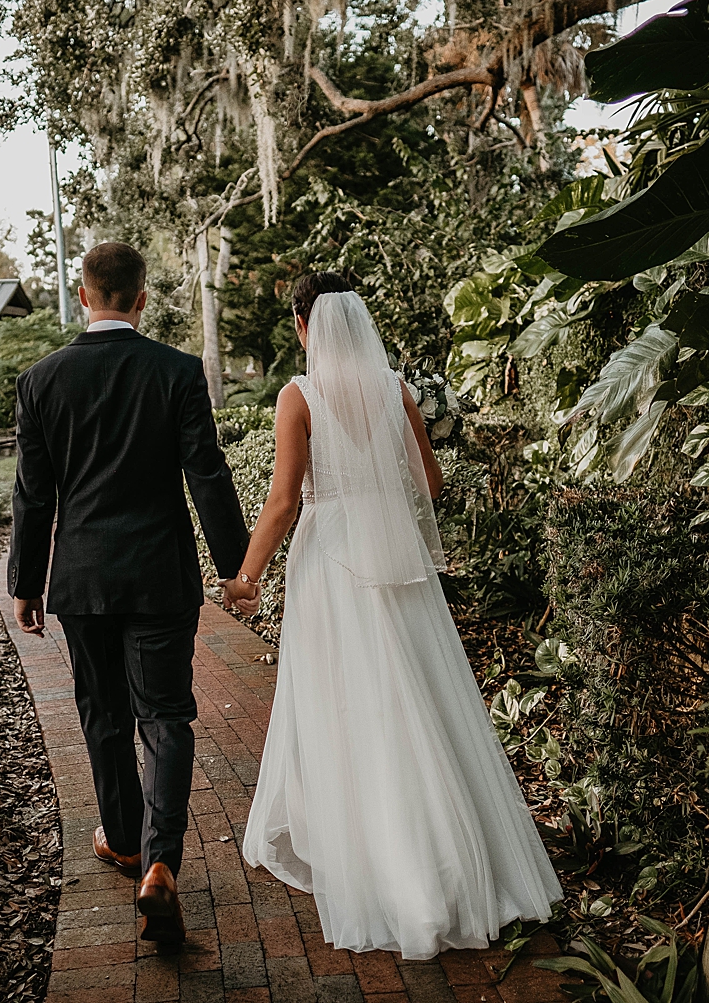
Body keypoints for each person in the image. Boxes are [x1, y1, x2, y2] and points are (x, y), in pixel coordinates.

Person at [233, 273, 563, 960]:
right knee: (418, 698)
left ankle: (374, 852)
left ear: (305, 326)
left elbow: (284, 501)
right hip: (395, 560)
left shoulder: (298, 396)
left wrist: (246, 576)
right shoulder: (397, 390)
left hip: (330, 564)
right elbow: (430, 483)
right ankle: (448, 854)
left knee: (347, 701)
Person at [8, 242, 252, 945]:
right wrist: (235, 568)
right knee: (166, 717)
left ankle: (119, 836)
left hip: (81, 580)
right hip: (159, 576)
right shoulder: (176, 371)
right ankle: (160, 864)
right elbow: (206, 473)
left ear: (83, 297)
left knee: (103, 712)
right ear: (141, 299)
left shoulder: (41, 381)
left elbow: (34, 494)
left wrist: (26, 582)